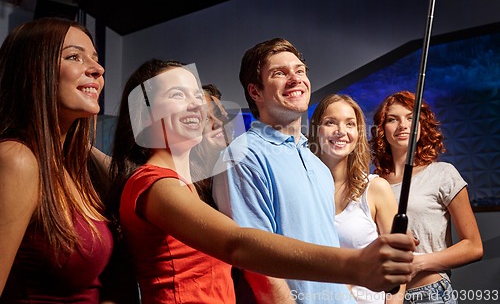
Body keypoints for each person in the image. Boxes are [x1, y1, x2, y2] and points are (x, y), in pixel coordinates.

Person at [107, 58, 415, 304]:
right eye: (177, 94)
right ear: (143, 115)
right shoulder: (154, 184)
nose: (195, 105)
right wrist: (355, 265)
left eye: (196, 95)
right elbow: (237, 243)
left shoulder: (187, 186)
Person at [211, 38, 412, 304]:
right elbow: (259, 267)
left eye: (300, 71)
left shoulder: (315, 162)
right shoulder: (244, 155)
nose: (295, 79)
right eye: (279, 73)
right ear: (256, 92)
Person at [0, 18, 115, 302]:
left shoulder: (70, 168)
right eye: (74, 56)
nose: (98, 69)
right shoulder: (18, 160)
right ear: (34, 70)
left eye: (96, 60)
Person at [369, 90, 483, 304]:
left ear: (422, 125)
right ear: (382, 129)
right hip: (383, 297)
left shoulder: (442, 173)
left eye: (411, 118)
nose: (403, 125)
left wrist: (417, 263)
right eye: (393, 119)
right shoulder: (374, 183)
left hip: (430, 295)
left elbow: (474, 246)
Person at [308, 94, 403, 304]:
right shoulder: (303, 193)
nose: (341, 131)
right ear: (315, 131)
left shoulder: (376, 188)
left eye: (350, 124)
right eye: (330, 122)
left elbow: (398, 263)